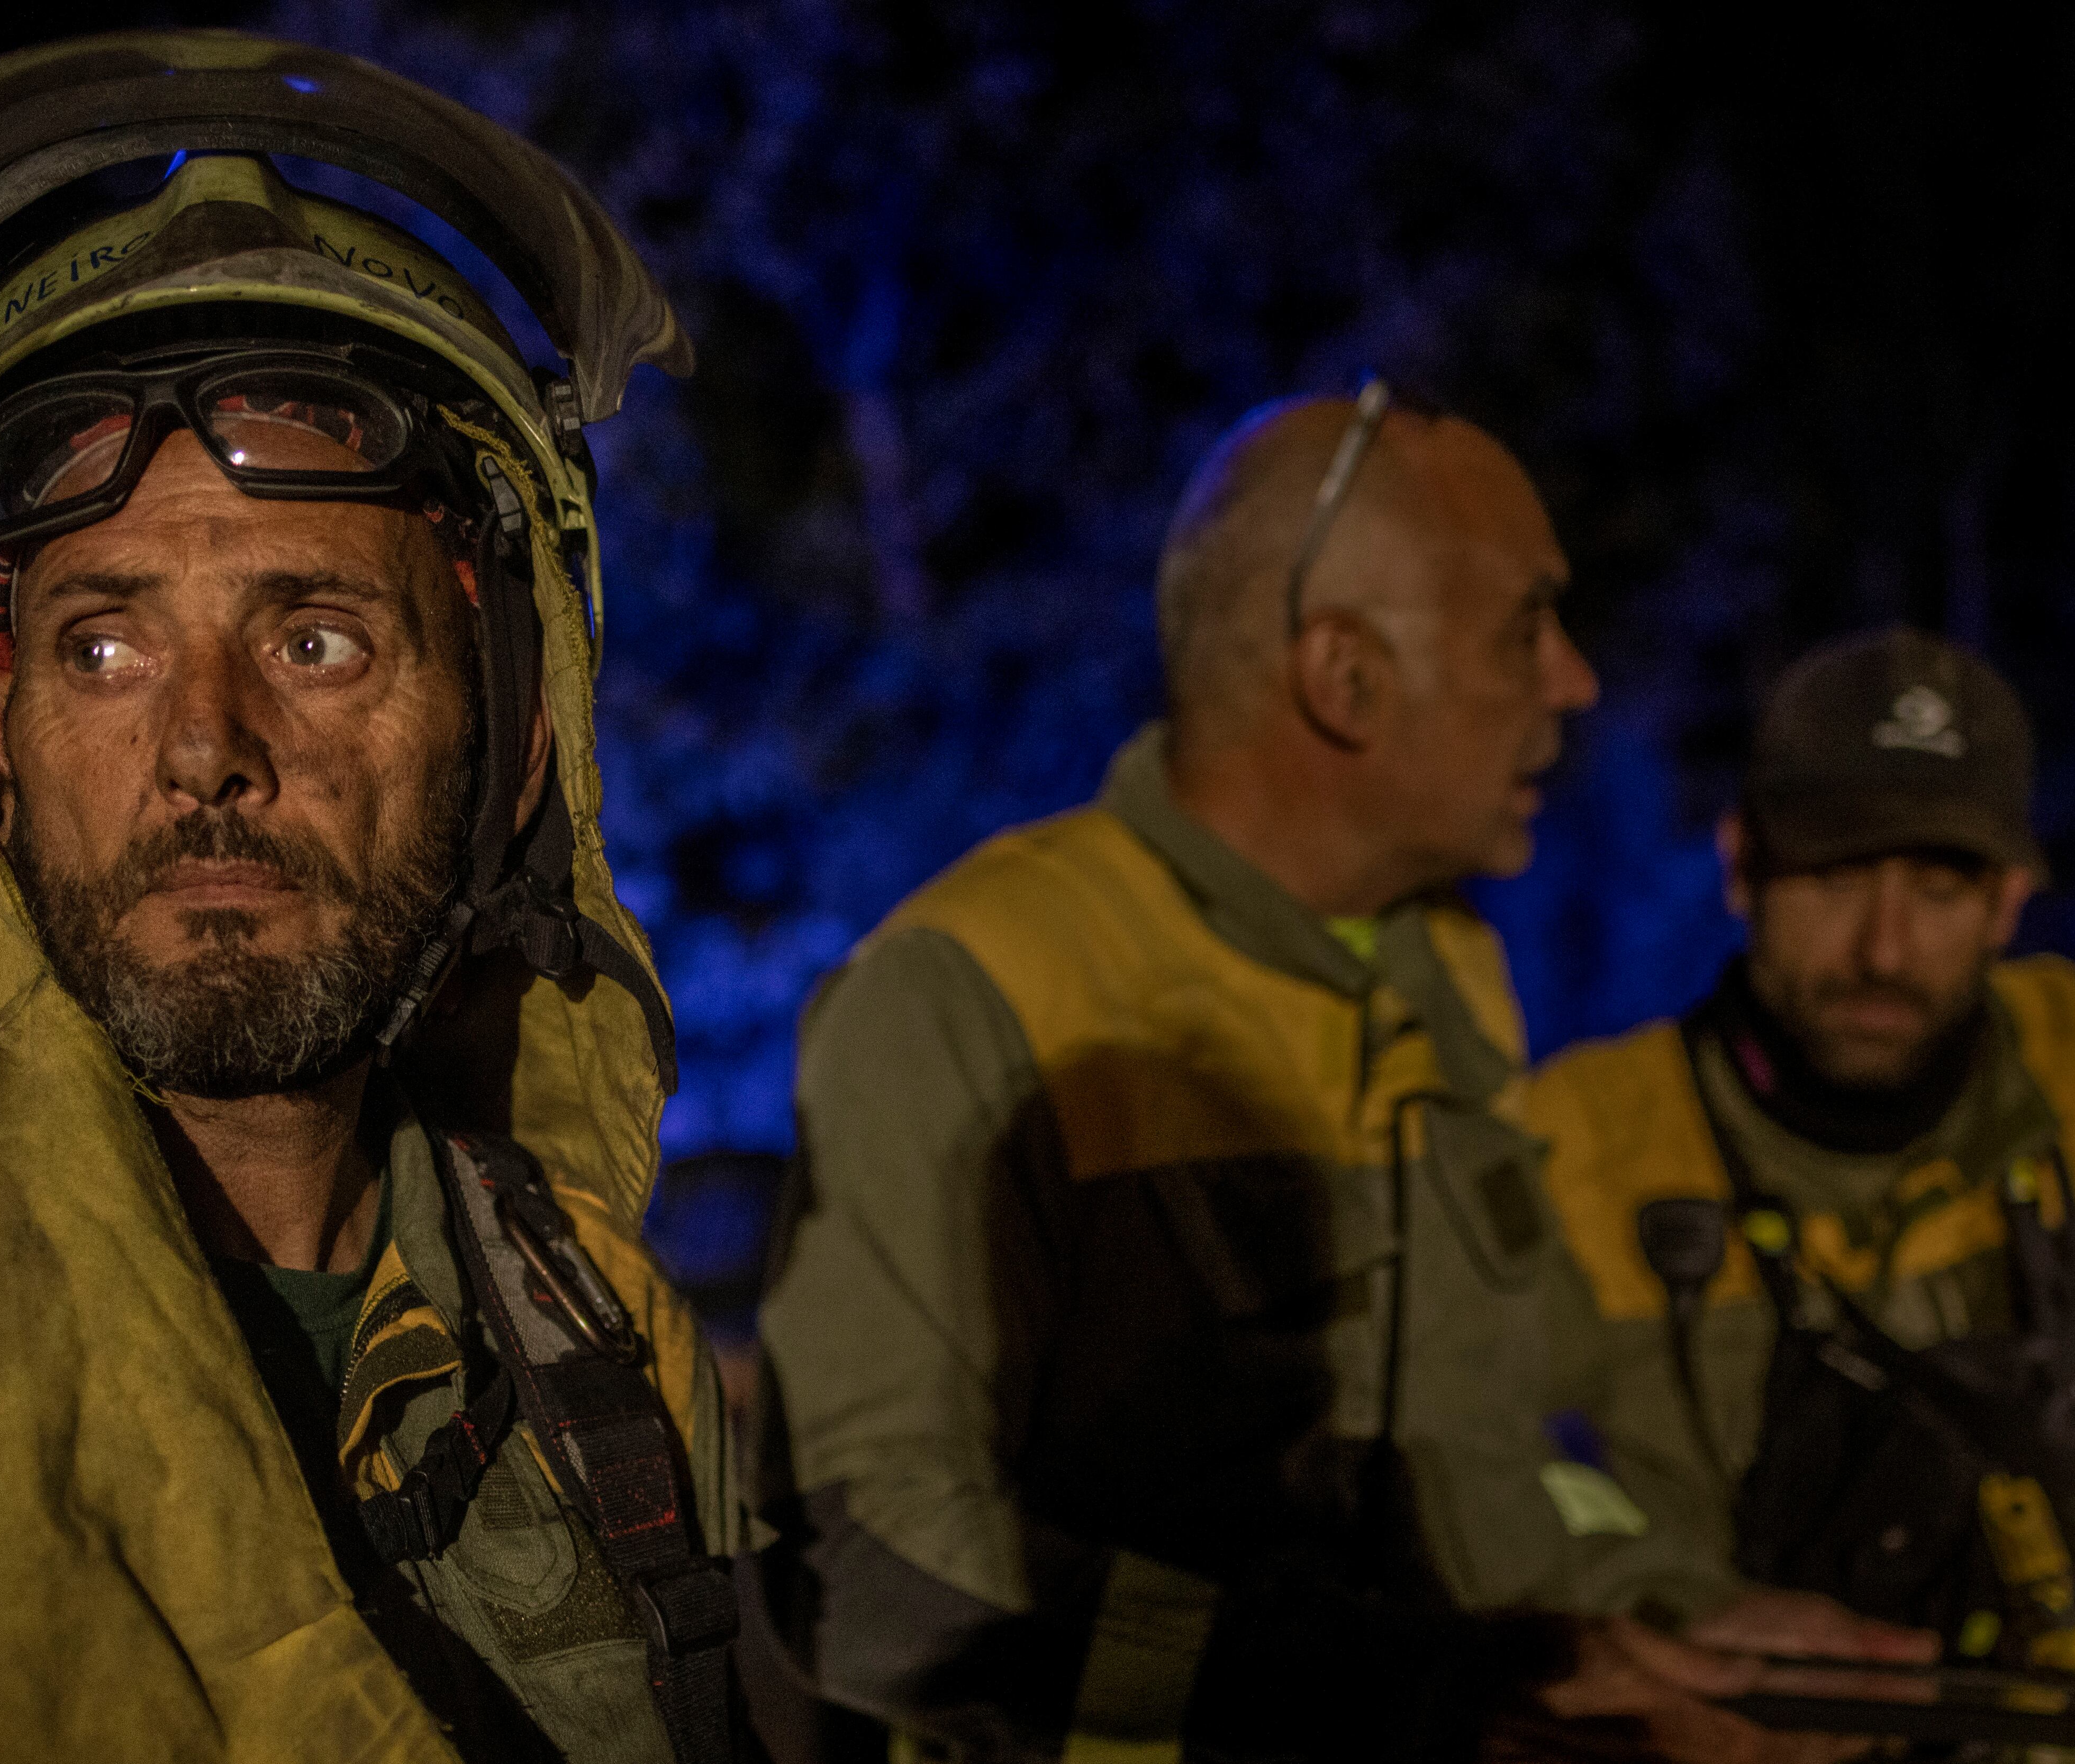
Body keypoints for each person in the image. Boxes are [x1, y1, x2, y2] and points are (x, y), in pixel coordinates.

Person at [0, 34, 746, 1764]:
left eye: (317, 637)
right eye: (104, 645)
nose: (206, 750)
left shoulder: (600, 1339)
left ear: (517, 741)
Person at [750, 385, 1907, 1762]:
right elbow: (866, 1567)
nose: (1577, 680)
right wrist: (1373, 1687)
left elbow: (1482, 1467)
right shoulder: (972, 988)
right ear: (1345, 676)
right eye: (1526, 625)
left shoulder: (1448, 975)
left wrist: (1682, 1619)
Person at [1533, 628, 2075, 1675]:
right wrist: (1670, 1601)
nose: (1883, 948)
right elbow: (1451, 1466)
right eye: (1833, 878)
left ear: (2007, 900)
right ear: (1740, 865)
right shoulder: (1577, 1145)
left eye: (1940, 888)